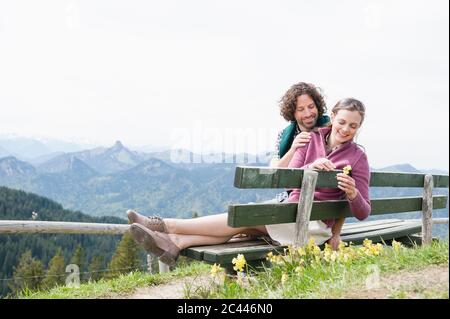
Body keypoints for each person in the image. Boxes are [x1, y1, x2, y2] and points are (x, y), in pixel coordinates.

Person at [128, 98, 371, 266]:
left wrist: (352, 194)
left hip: (312, 225)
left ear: (358, 127)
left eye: (353, 125)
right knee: (242, 224)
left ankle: (163, 225)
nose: (346, 129)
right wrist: (311, 167)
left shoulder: (358, 157)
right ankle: (177, 242)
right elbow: (289, 180)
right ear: (333, 118)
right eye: (342, 122)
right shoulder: (310, 138)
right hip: (289, 212)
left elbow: (363, 211)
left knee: (243, 218)